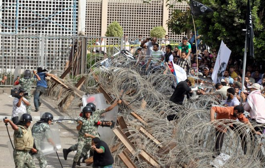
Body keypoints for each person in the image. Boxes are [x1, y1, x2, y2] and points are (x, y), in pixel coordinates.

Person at [64, 100, 121, 168]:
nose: (89, 114)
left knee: (93, 149)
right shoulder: (82, 118)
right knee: (79, 150)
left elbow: (106, 111)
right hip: (83, 137)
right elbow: (78, 128)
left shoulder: (94, 115)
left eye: (90, 112)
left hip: (93, 136)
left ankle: (92, 163)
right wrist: (80, 124)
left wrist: (116, 103)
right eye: (87, 113)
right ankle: (74, 162)